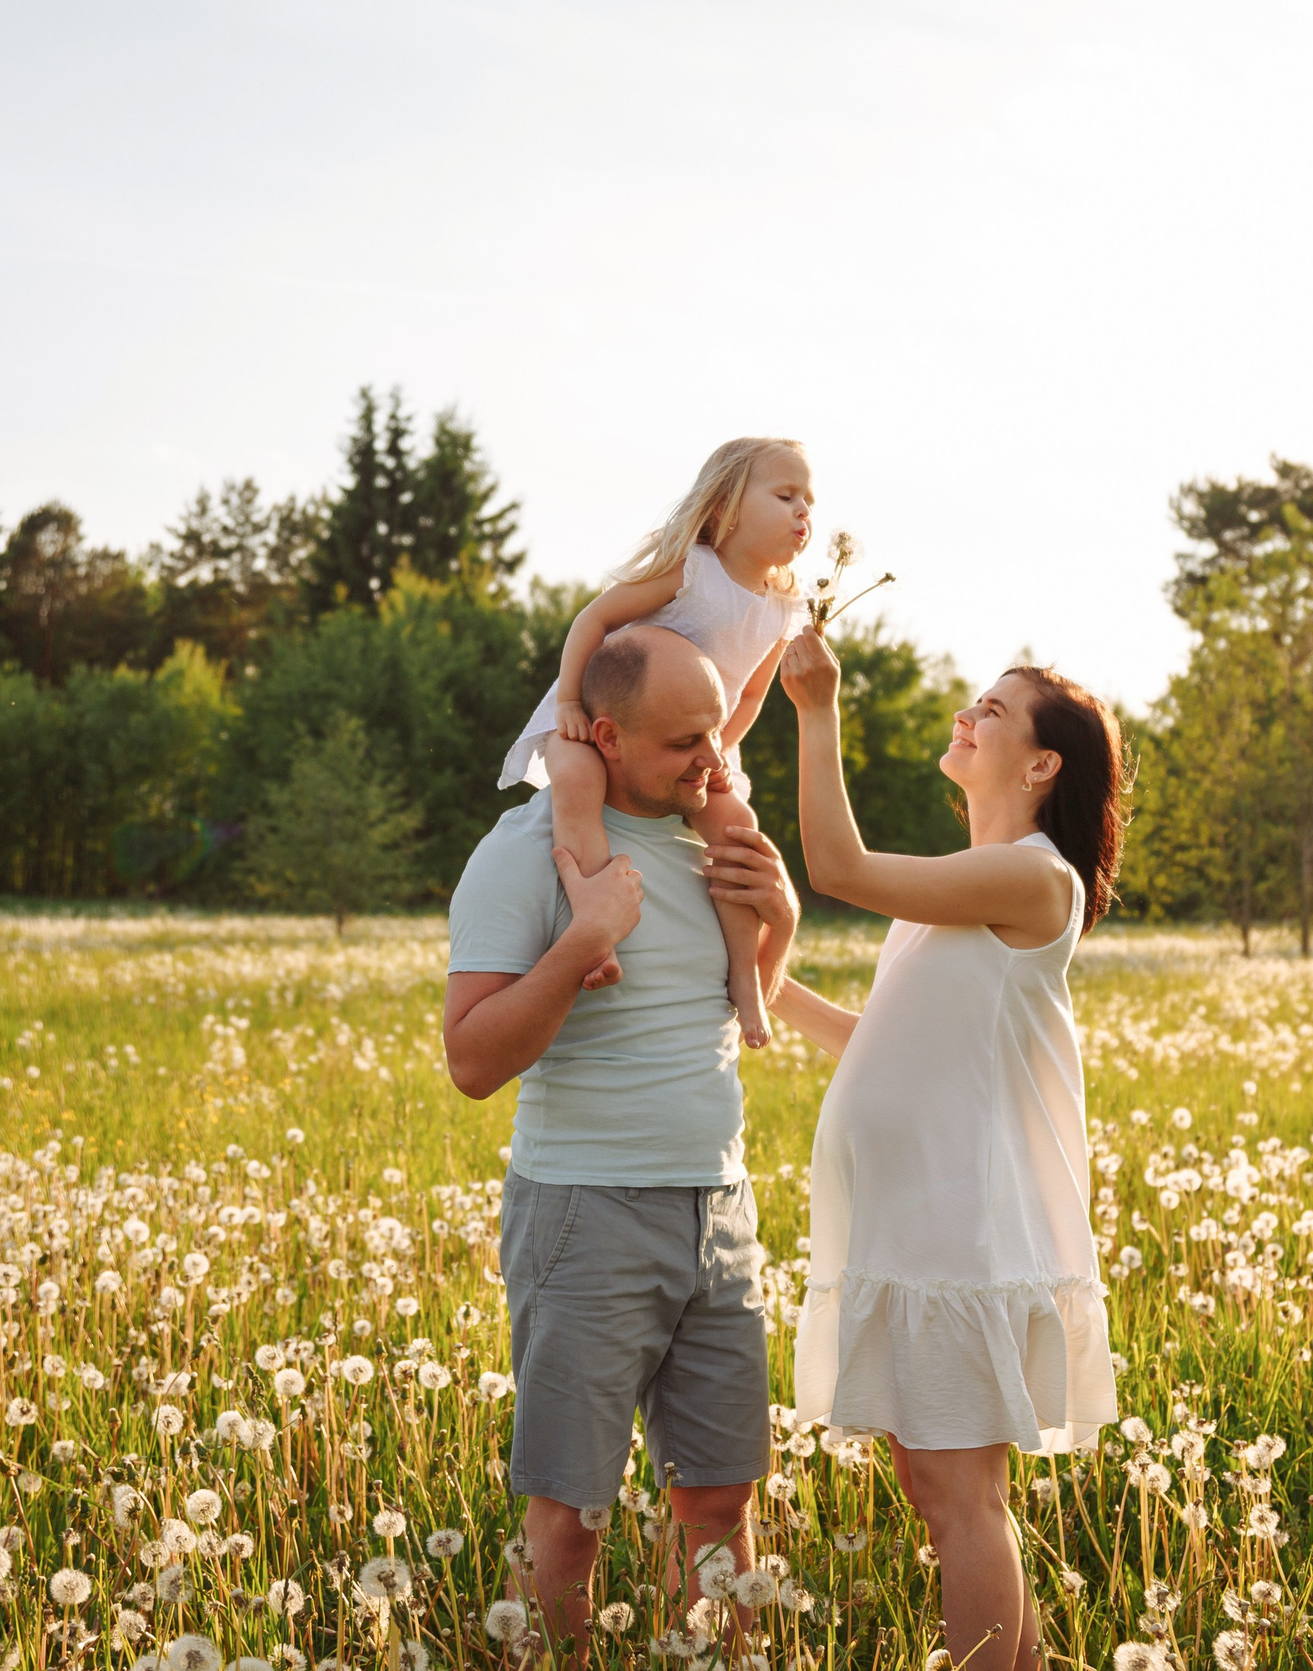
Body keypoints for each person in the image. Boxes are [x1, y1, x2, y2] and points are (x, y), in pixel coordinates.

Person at [770, 628, 1128, 1671]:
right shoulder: (974, 879)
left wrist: (816, 706)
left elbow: (834, 866)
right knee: (945, 1494)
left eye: (992, 710)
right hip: (917, 1222)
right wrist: (767, 990)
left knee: (959, 1499)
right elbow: (884, 1040)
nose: (965, 716)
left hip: (959, 1228)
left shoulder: (1031, 879)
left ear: (1041, 764)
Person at [445, 625, 802, 1661]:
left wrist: (780, 918)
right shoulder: (527, 851)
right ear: (602, 734)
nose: (712, 759)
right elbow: (471, 1062)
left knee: (724, 1498)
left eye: (717, 733)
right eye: (681, 741)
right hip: (584, 1211)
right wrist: (582, 939)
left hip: (719, 1211)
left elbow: (737, 1010)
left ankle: (731, 1656)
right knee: (571, 1512)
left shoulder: (713, 835)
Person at [499, 436, 814, 1052]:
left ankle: (746, 978)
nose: (803, 511)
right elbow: (594, 620)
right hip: (597, 718)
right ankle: (596, 933)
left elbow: (748, 698)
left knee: (737, 824)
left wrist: (716, 752)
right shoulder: (694, 570)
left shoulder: (784, 608)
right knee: (580, 783)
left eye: (809, 500)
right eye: (785, 495)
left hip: (697, 743)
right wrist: (568, 702)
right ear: (726, 506)